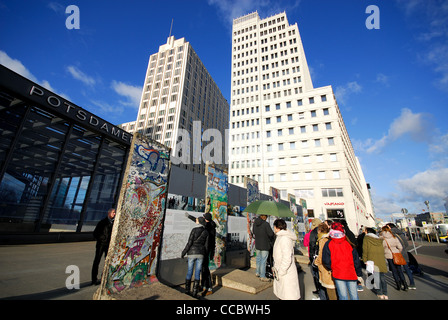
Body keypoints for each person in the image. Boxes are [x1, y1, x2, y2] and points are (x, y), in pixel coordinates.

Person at [322, 222, 362, 300]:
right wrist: (358, 273)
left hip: (338, 273)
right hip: (351, 273)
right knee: (354, 296)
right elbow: (356, 260)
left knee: (343, 296)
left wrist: (332, 268)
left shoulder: (328, 243)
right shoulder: (349, 243)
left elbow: (326, 260)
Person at [272, 218, 301, 300]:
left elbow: (287, 258)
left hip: (286, 273)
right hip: (281, 271)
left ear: (277, 228)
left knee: (287, 295)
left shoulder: (285, 239)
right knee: (282, 295)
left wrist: (281, 272)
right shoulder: (280, 236)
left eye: (274, 227)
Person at [181, 217, 209, 297]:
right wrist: (205, 255)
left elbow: (189, 243)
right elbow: (206, 246)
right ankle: (194, 292)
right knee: (197, 272)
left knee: (190, 271)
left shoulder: (194, 230)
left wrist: (184, 252)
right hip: (201, 254)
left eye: (197, 220)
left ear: (199, 222)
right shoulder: (206, 232)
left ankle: (187, 290)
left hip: (192, 253)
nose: (196, 221)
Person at [387, 223, 416, 290]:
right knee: (407, 269)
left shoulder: (392, 234)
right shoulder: (401, 234)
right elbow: (406, 244)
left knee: (398, 269)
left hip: (396, 254)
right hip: (404, 253)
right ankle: (412, 283)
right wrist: (403, 250)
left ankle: (402, 283)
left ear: (390, 227)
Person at [362, 227, 389, 299]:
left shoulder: (366, 239)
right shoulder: (379, 239)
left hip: (372, 259)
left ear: (367, 232)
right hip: (380, 259)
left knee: (377, 278)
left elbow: (365, 250)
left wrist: (365, 259)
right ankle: (385, 294)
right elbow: (384, 248)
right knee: (382, 277)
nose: (364, 232)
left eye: (365, 231)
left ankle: (380, 293)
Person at [91, 208, 116, 285]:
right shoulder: (102, 222)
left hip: (109, 245)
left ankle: (103, 277)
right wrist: (102, 238)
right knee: (97, 261)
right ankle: (94, 279)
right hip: (101, 244)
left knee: (107, 262)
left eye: (115, 213)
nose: (114, 214)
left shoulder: (114, 223)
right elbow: (95, 233)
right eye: (113, 212)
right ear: (109, 213)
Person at [314, 223, 337, 300]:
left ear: (320, 230)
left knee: (330, 290)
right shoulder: (330, 238)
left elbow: (321, 255)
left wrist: (316, 262)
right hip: (332, 266)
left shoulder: (322, 240)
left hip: (326, 268)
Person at [381, 225, 408, 291]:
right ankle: (405, 284)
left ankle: (398, 285)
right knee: (399, 270)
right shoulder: (394, 237)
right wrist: (397, 252)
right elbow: (400, 247)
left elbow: (382, 248)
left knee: (394, 271)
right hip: (396, 254)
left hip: (388, 256)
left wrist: (385, 253)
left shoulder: (382, 239)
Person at [252, 214, 275, 282]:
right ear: (265, 217)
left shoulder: (255, 223)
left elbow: (254, 232)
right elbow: (271, 234)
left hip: (258, 244)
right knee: (263, 260)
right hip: (265, 244)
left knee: (258, 258)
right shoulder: (266, 224)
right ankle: (262, 276)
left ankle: (257, 272)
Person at [308, 218, 322, 295]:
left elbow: (312, 245)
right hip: (322, 255)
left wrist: (311, 257)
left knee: (316, 274)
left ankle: (319, 291)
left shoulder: (313, 232)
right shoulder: (323, 230)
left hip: (315, 256)